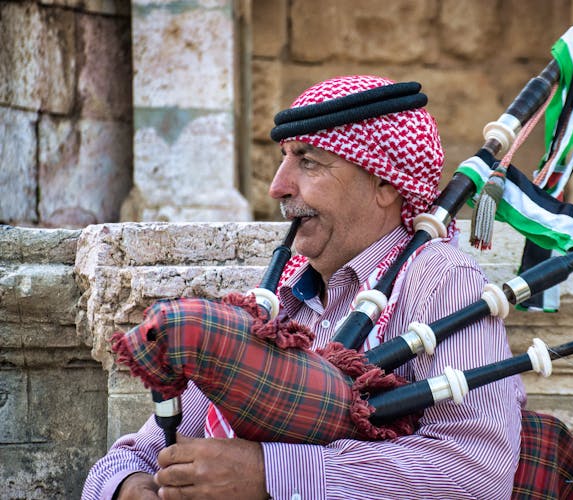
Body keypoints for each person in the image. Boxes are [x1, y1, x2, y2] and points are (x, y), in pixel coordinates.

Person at [82, 75, 526, 500]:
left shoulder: (441, 283)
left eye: (308, 162)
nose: (278, 186)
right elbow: (138, 453)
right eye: (285, 158)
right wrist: (131, 488)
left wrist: (267, 474)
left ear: (385, 183)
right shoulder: (281, 303)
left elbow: (474, 472)